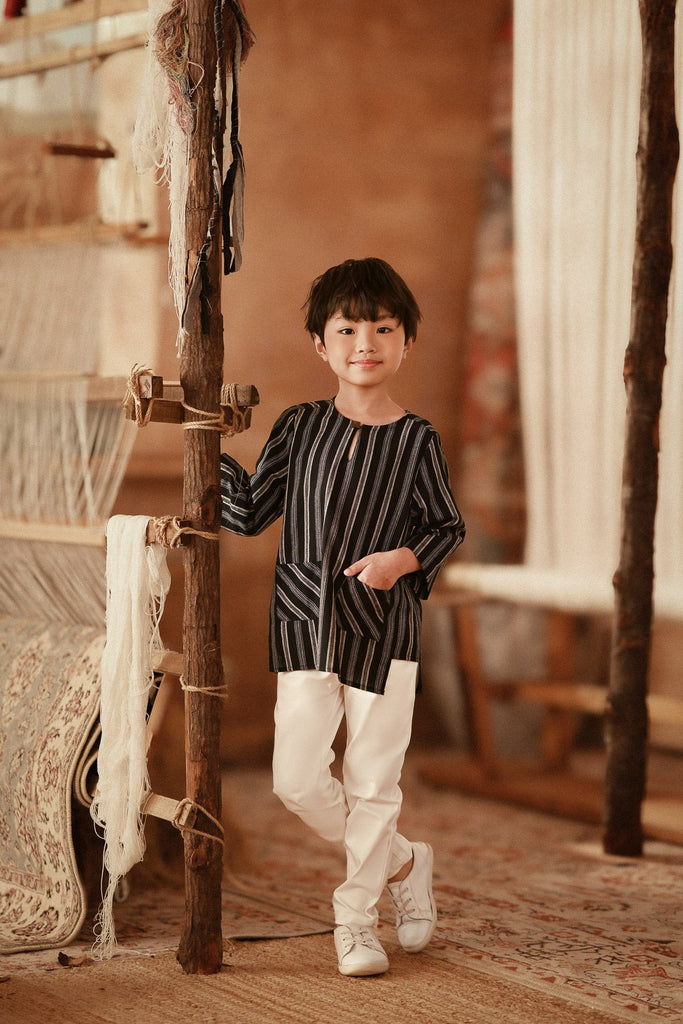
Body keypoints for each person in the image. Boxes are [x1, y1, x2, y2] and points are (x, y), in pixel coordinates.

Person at [220, 257, 465, 976]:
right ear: (320, 345)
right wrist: (205, 447)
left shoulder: (417, 439)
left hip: (386, 632)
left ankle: (356, 923)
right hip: (305, 623)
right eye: (348, 329)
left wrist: (398, 561)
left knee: (372, 783)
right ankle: (403, 861)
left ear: (405, 342)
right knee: (296, 780)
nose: (366, 342)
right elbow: (250, 512)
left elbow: (445, 527)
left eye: (383, 328)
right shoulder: (299, 427)